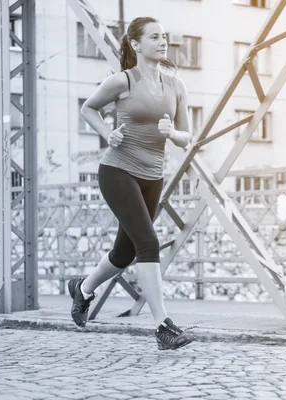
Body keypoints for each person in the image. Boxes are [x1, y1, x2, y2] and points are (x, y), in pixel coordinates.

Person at [68, 16, 194, 351]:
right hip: (118, 171)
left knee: (124, 253)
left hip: (153, 177)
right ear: (136, 44)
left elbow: (186, 137)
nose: (162, 41)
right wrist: (108, 134)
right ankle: (162, 327)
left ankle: (82, 289)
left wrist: (173, 133)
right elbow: (88, 108)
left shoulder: (177, 86)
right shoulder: (121, 81)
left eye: (164, 36)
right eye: (154, 37)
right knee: (148, 244)